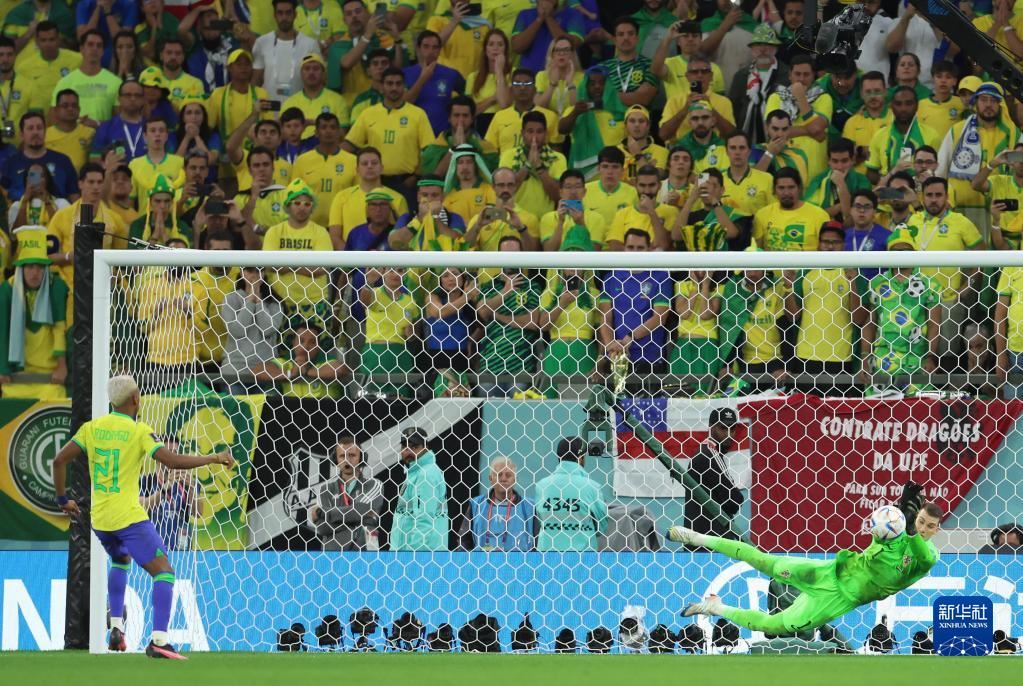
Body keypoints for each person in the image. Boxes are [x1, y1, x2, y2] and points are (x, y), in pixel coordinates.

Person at [51, 374, 235, 659]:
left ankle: (116, 627)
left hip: (100, 519)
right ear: (136, 399)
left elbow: (59, 460)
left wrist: (63, 499)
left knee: (120, 560)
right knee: (164, 572)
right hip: (128, 516)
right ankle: (160, 640)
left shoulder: (91, 428)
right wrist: (214, 458)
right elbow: (171, 461)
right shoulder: (139, 431)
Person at [669, 496, 943, 636]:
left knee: (774, 626)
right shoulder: (895, 530)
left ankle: (716, 608)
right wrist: (899, 510)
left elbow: (918, 548)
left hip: (838, 599)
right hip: (831, 571)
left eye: (929, 526)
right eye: (920, 521)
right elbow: (884, 528)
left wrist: (909, 526)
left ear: (936, 529)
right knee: (765, 561)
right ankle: (697, 537)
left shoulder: (928, 555)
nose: (923, 528)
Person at [909, 176, 984, 365]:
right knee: (915, 355)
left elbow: (982, 255)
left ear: (946, 196)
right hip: (915, 301)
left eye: (938, 195)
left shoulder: (960, 222)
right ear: (922, 197)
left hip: (947, 301)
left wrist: (966, 288)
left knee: (946, 358)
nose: (934, 199)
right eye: (929, 195)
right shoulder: (913, 221)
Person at [785, 222, 864, 385]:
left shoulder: (853, 272)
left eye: (835, 242)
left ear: (843, 245)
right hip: (806, 355)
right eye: (826, 242)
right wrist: (788, 287)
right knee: (807, 402)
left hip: (842, 356)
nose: (830, 246)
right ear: (819, 244)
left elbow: (859, 319)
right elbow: (792, 316)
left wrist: (853, 283)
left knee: (838, 402)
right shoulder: (805, 272)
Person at [860, 228, 942, 384]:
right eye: (896, 251)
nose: (901, 254)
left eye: (906, 250)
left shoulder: (930, 285)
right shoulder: (877, 283)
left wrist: (931, 357)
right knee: (880, 401)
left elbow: (934, 324)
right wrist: (865, 358)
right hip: (882, 362)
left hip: (916, 361)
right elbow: (870, 324)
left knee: (917, 401)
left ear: (914, 252)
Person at [939, 82, 1018, 240]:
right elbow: (941, 169)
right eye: (983, 100)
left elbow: (1019, 169)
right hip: (960, 209)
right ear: (976, 102)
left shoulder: (1013, 135)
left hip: (1000, 210)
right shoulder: (958, 130)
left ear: (1000, 104)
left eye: (993, 100)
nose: (988, 105)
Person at [345, 67, 434, 206]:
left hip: (406, 183)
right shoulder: (368, 114)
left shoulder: (418, 114)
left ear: (404, 87)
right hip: (375, 182)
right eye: (389, 83)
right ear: (382, 87)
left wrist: (416, 176)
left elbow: (429, 151)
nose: (394, 88)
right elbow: (350, 145)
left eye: (398, 84)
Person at [0, 227, 67, 400]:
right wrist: (3, 369)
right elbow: (2, 332)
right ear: (21, 268)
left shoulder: (57, 286)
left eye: (40, 267)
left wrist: (61, 366)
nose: (35, 273)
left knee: (57, 395)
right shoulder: (7, 290)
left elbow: (59, 329)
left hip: (49, 378)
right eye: (30, 267)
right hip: (16, 378)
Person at [474, 235, 544, 395]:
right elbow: (482, 312)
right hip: (490, 366)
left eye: (515, 254)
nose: (511, 258)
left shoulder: (532, 287)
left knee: (517, 409)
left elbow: (532, 322)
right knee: (487, 409)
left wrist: (498, 316)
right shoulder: (489, 286)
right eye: (506, 254)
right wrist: (506, 291)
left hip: (520, 367)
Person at [598, 229, 671, 373]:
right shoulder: (611, 278)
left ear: (649, 249)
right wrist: (611, 345)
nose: (635, 252)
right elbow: (605, 318)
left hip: (649, 358)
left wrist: (630, 338)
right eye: (630, 247)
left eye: (640, 248)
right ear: (624, 248)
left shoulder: (661, 277)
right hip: (616, 355)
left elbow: (659, 318)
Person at [262, 179, 334, 316]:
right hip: (278, 302)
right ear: (288, 205)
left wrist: (288, 266)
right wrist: (305, 267)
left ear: (312, 207)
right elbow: (269, 265)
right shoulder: (274, 231)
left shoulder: (321, 232)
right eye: (297, 203)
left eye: (307, 204)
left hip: (315, 302)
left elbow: (322, 268)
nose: (302, 207)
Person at [310, 437, 384, 551]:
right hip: (332, 556)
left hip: (366, 554)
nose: (347, 460)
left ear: (361, 457)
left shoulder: (374, 484)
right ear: (335, 459)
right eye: (342, 456)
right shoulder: (325, 489)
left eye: (352, 455)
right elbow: (323, 527)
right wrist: (362, 520)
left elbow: (358, 511)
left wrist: (324, 513)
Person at [534, 436, 607, 552]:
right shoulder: (592, 487)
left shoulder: (541, 486)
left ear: (559, 457)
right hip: (583, 557)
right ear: (581, 458)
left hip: (547, 555)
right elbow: (602, 527)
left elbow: (539, 520)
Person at [220, 267, 285, 394]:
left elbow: (268, 330)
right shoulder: (231, 299)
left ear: (264, 273)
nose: (254, 275)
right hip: (235, 372)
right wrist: (250, 301)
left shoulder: (274, 302)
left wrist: (259, 302)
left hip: (266, 372)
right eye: (250, 271)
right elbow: (237, 331)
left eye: (258, 271)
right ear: (241, 273)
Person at [329, 147, 407, 250]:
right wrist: (353, 257)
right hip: (350, 257)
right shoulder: (341, 197)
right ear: (357, 170)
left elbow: (404, 236)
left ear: (382, 168)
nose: (370, 166)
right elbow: (335, 237)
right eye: (364, 164)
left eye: (374, 163)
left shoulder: (398, 198)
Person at [359, 266, 419, 397]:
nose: (395, 274)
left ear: (405, 274)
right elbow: (365, 302)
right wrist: (368, 283)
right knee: (373, 398)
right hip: (376, 354)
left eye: (400, 270)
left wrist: (411, 334)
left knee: (402, 398)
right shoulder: (375, 293)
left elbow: (414, 335)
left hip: (401, 354)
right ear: (383, 273)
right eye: (391, 270)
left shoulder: (410, 301)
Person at [682, 407, 743, 536]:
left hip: (701, 538)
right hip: (711, 540)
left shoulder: (706, 452)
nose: (728, 434)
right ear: (711, 427)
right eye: (723, 428)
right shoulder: (710, 454)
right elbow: (734, 501)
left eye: (732, 429)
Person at [252, 317, 348, 398]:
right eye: (301, 341)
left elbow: (340, 369)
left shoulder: (326, 362)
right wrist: (290, 374)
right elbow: (258, 370)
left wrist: (307, 371)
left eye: (312, 342)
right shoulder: (286, 363)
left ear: (318, 346)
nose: (305, 347)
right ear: (293, 343)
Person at [292, 112, 357, 226]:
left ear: (339, 132)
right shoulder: (302, 161)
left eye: (332, 127)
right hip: (310, 225)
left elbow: (357, 195)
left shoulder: (353, 161)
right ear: (316, 133)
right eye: (323, 127)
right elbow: (294, 195)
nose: (328, 131)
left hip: (342, 224)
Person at [499, 110, 566, 220]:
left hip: (547, 220)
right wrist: (527, 166)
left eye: (539, 132)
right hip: (516, 219)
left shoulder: (558, 158)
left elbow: (559, 196)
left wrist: (539, 168)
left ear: (546, 133)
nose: (534, 137)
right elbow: (504, 193)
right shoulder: (508, 156)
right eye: (530, 131)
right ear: (522, 133)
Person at [728, 24, 788, 146]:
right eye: (758, 44)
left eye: (767, 44)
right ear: (752, 49)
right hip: (746, 141)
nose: (763, 49)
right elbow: (734, 108)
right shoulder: (741, 76)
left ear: (775, 48)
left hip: (779, 138)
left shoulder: (787, 74)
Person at [390, 427, 448, 551]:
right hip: (411, 551)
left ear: (426, 447)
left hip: (420, 554)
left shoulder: (426, 475)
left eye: (414, 446)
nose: (408, 451)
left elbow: (424, 520)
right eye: (404, 446)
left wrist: (412, 556)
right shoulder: (416, 472)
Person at [865, 86, 938, 185]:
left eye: (909, 103)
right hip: (888, 191)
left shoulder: (932, 135)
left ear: (917, 106)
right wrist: (892, 174)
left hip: (920, 191)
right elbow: (871, 173)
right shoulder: (879, 135)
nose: (903, 109)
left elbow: (939, 170)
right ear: (891, 106)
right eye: (898, 104)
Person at [2, 112, 78, 203]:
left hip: (58, 211)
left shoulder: (63, 161)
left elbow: (75, 196)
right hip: (19, 210)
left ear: (45, 132)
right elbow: (3, 196)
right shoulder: (10, 163)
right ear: (21, 135)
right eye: (30, 128)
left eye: (39, 128)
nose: (35, 132)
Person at [252, 0, 320, 102]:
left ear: (295, 15)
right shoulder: (262, 42)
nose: (284, 17)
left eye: (288, 13)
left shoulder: (310, 44)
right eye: (280, 13)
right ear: (274, 15)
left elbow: (317, 82)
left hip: (299, 107)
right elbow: (256, 80)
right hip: (269, 107)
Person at [485, 67, 561, 156]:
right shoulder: (499, 117)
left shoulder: (550, 117)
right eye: (517, 83)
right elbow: (490, 150)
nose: (522, 88)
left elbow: (556, 152)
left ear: (535, 89)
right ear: (511, 89)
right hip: (506, 164)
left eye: (528, 83)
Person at [403, 30, 466, 136]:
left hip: (443, 136)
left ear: (440, 50)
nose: (430, 51)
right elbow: (403, 104)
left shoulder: (451, 74)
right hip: (413, 134)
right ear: (418, 48)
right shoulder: (405, 74)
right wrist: (423, 79)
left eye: (435, 47)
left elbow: (467, 100)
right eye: (426, 46)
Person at [467, 456, 536, 552]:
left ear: (515, 479)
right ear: (490, 478)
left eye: (508, 475)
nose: (503, 479)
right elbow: (464, 542)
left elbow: (539, 543)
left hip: (519, 561)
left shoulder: (529, 507)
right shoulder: (476, 505)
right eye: (499, 475)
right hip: (483, 561)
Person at [52, 30, 121, 124]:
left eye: (99, 46)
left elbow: (120, 122)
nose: (94, 49)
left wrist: (97, 124)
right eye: (90, 44)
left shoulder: (115, 82)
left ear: (102, 51)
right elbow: (54, 119)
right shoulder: (65, 83)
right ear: (81, 49)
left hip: (102, 133)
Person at [753, 168, 829, 251]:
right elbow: (757, 250)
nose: (786, 193)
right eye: (781, 188)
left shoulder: (819, 215)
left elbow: (827, 251)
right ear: (774, 190)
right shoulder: (762, 214)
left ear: (799, 188)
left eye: (791, 187)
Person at [653, 21, 728, 103]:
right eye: (685, 36)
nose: (690, 39)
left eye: (695, 36)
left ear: (701, 40)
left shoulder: (714, 68)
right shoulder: (669, 63)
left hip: (707, 110)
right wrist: (667, 39)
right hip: (676, 110)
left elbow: (720, 101)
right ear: (678, 41)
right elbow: (655, 70)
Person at [598, 16, 657, 120]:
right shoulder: (602, 68)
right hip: (608, 124)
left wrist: (608, 96)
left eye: (630, 33)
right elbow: (594, 98)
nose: (626, 38)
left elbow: (644, 98)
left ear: (637, 38)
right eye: (621, 34)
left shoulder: (650, 65)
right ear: (614, 40)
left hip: (639, 123)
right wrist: (632, 96)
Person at [282, 53, 351, 139]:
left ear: (323, 73)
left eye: (316, 69)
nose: (311, 72)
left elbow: (342, 133)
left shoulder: (338, 100)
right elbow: (282, 133)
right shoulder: (289, 102)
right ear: (301, 74)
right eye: (307, 69)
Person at [607, 165, 675, 251]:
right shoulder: (622, 213)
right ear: (635, 185)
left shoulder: (671, 212)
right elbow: (614, 246)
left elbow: (663, 246)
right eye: (642, 185)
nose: (647, 191)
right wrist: (641, 253)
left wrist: (651, 212)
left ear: (659, 185)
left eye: (652, 185)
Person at [804, 138, 871, 222]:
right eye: (835, 161)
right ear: (829, 161)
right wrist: (839, 206)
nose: (839, 167)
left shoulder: (862, 180)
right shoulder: (819, 180)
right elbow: (812, 215)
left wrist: (841, 185)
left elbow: (854, 217)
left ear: (853, 160)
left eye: (844, 161)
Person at [129, 117, 184, 214]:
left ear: (166, 136)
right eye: (153, 131)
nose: (157, 134)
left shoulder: (180, 162)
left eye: (161, 131)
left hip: (172, 219)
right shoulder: (134, 164)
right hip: (144, 220)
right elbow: (130, 201)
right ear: (145, 136)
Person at [973, 143, 1023, 250]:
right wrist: (993, 164)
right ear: (1011, 161)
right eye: (1019, 156)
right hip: (1000, 241)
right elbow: (976, 185)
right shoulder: (998, 181)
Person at [512, 0, 584, 74]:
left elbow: (573, 44)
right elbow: (517, 47)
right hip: (529, 75)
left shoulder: (573, 14)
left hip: (561, 75)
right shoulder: (524, 14)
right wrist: (539, 18)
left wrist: (548, 17)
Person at [841, 71, 891, 176]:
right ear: (861, 94)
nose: (872, 96)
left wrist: (862, 151)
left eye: (877, 91)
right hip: (858, 181)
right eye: (868, 92)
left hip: (888, 179)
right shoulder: (852, 122)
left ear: (885, 92)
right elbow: (847, 157)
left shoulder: (896, 118)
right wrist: (879, 152)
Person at [541, 169, 604, 251]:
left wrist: (581, 223)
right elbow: (549, 251)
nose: (573, 192)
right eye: (568, 187)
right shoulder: (548, 218)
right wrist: (560, 222)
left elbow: (594, 252)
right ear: (561, 192)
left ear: (584, 192)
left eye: (577, 187)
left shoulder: (597, 218)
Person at [721, 131, 773, 223]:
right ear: (726, 152)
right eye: (733, 148)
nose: (737, 152)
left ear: (749, 151)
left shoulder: (767, 179)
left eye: (742, 148)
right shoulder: (718, 181)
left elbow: (774, 212)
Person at [90, 80, 147, 162]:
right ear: (119, 99)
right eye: (128, 95)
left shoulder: (152, 127)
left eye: (137, 95)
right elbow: (94, 158)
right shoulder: (105, 127)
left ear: (143, 99)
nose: (133, 99)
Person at [583, 147, 638, 230]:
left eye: (615, 167)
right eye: (605, 166)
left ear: (622, 170)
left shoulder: (632, 192)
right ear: (598, 169)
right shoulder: (584, 190)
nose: (610, 172)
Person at [844, 190, 891, 280]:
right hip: (845, 285)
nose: (862, 210)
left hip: (877, 286)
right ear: (851, 210)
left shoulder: (887, 237)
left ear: (874, 211)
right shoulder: (843, 236)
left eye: (867, 207)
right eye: (858, 206)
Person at [917, 61, 964, 142]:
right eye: (939, 76)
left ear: (955, 81)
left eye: (948, 77)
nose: (943, 81)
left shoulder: (961, 103)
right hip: (927, 149)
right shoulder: (920, 105)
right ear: (933, 79)